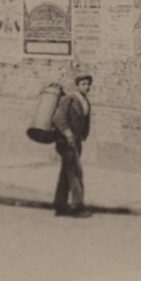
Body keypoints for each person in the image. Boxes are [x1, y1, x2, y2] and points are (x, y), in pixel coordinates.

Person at [51, 73, 93, 218]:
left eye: (88, 84)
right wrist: (68, 133)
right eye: (83, 84)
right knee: (75, 173)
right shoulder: (69, 99)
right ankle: (77, 207)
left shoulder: (85, 100)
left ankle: (60, 205)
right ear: (77, 85)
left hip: (76, 141)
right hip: (66, 141)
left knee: (66, 173)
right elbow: (58, 118)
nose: (87, 87)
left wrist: (82, 136)